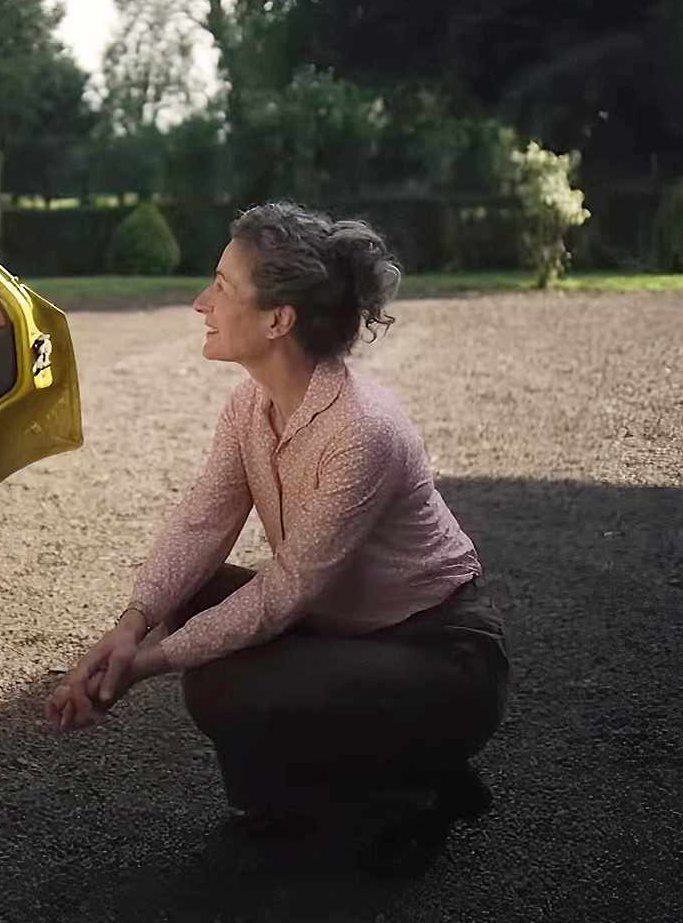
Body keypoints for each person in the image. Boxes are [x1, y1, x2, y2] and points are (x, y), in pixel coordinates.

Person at [46, 201, 509, 867]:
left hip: (442, 655)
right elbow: (203, 521)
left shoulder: (360, 430)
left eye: (222, 287)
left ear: (277, 320)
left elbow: (283, 591)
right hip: (348, 634)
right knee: (192, 598)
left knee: (218, 680)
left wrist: (141, 668)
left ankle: (409, 793)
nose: (202, 302)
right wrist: (129, 626)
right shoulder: (250, 405)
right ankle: (318, 794)